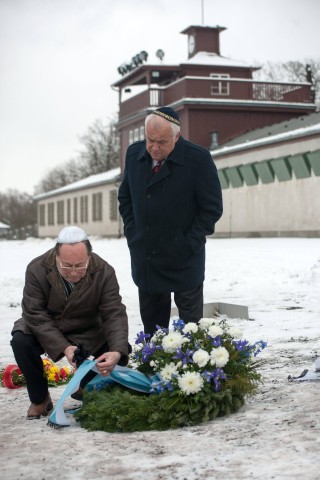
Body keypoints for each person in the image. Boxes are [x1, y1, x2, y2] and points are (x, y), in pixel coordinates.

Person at [118, 106, 223, 335]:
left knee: (190, 332)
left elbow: (212, 209)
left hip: (184, 257)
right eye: (150, 140)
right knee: (153, 332)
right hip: (146, 254)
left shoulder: (198, 160)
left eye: (162, 142)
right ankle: (154, 368)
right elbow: (125, 197)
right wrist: (133, 231)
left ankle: (192, 370)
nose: (154, 147)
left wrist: (188, 242)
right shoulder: (134, 154)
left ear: (177, 136)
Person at [11, 226, 129, 420]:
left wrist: (117, 350)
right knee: (20, 341)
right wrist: (64, 347)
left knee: (118, 347)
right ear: (55, 256)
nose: (73, 272)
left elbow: (114, 313)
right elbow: (35, 313)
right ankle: (40, 399)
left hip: (87, 327)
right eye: (66, 265)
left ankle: (86, 386)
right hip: (47, 325)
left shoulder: (104, 271)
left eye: (80, 265)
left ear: (89, 256)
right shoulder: (37, 268)